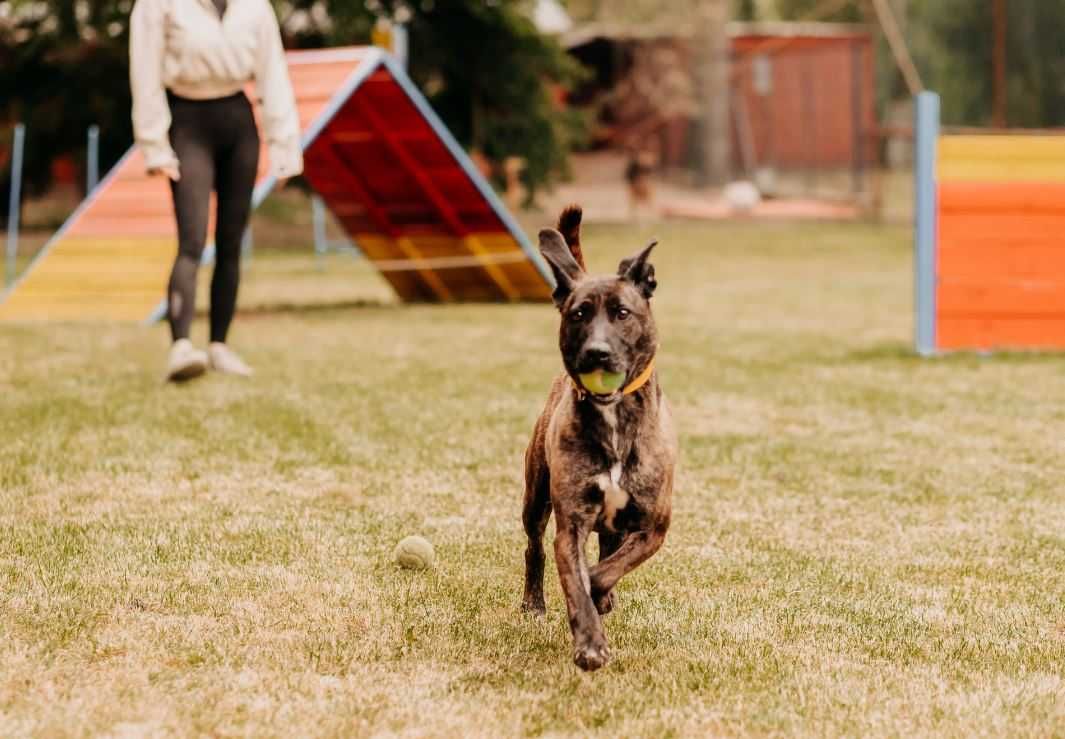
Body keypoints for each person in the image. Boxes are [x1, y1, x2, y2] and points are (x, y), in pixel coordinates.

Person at [130, 0, 303, 382]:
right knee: (192, 240)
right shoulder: (158, 5)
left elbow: (273, 73)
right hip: (188, 123)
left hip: (238, 124)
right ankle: (181, 347)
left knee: (231, 243)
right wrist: (154, 144)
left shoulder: (255, 7)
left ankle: (220, 346)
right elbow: (144, 73)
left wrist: (284, 147)